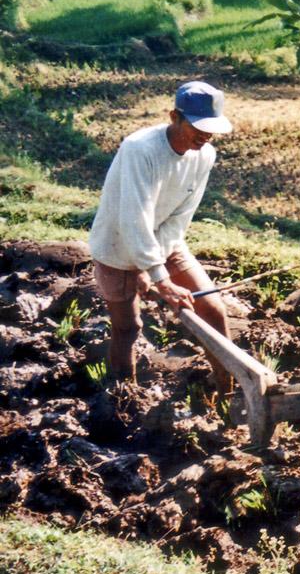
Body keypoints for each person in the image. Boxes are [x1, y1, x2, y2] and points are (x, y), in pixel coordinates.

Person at [89, 81, 234, 392]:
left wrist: (158, 268)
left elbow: (181, 215)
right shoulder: (140, 149)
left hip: (166, 241)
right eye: (198, 126)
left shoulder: (205, 155)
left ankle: (226, 386)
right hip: (117, 245)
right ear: (174, 116)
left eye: (212, 128)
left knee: (212, 308)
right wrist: (159, 278)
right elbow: (133, 218)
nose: (205, 135)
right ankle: (122, 398)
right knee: (128, 329)